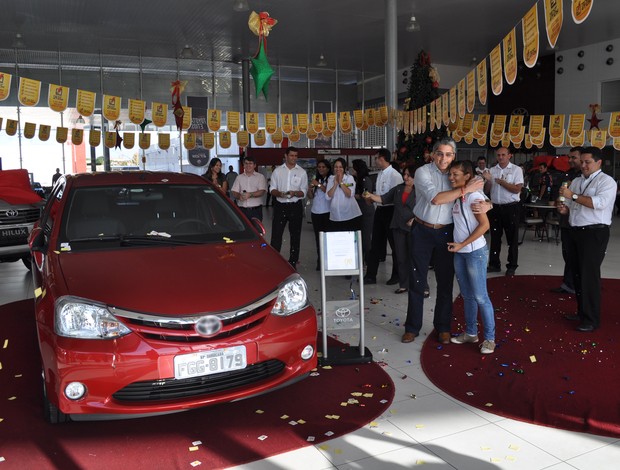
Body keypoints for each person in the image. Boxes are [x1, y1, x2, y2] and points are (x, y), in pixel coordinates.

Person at [402, 138, 485, 345]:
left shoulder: (457, 174)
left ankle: (443, 327)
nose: (443, 158)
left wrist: (488, 205)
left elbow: (482, 196)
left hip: (447, 232)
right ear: (432, 154)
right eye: (440, 153)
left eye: (448, 154)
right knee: (417, 280)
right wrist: (467, 189)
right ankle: (412, 327)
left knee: (445, 282)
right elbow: (436, 199)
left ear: (454, 156)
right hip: (421, 229)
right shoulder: (423, 172)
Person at [557, 146, 616, 332]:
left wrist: (572, 196)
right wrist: (563, 208)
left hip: (594, 233)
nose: (583, 165)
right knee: (577, 274)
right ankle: (582, 311)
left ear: (598, 162)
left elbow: (598, 204)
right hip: (576, 231)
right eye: (582, 161)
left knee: (589, 276)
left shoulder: (607, 182)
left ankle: (591, 319)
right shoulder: (576, 180)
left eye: (587, 162)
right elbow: (569, 205)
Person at [446, 160, 496, 354]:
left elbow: (484, 226)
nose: (451, 178)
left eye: (455, 175)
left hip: (474, 252)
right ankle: (471, 333)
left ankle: (490, 338)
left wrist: (462, 245)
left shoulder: (474, 196)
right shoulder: (459, 195)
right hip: (461, 253)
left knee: (480, 296)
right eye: (450, 174)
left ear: (467, 176)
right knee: (467, 295)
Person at [364, 163, 418, 294]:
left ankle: (421, 286)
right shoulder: (398, 189)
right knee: (400, 257)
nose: (405, 177)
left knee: (415, 258)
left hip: (414, 228)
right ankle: (404, 284)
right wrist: (370, 196)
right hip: (398, 226)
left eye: (409, 175)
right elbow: (383, 199)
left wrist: (416, 219)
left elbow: (426, 208)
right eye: (404, 174)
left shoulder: (420, 190)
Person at [363, 148, 403, 285]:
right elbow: (378, 194)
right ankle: (371, 275)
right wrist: (371, 198)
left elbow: (395, 198)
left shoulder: (395, 175)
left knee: (394, 244)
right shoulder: (379, 174)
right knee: (375, 244)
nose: (375, 161)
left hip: (391, 211)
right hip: (379, 210)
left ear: (382, 158)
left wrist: (375, 198)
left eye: (376, 158)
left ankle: (397, 275)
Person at [483, 146, 523, 276]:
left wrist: (501, 182)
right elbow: (487, 191)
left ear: (509, 155)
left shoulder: (516, 170)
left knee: (512, 239)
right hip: (495, 207)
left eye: (503, 155)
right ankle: (494, 264)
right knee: (495, 237)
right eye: (498, 155)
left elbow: (517, 189)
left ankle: (512, 266)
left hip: (511, 207)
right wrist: (488, 181)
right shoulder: (492, 170)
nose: (500, 157)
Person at [551, 146, 584, 294]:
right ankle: (569, 283)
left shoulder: (585, 176)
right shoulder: (569, 174)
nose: (570, 160)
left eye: (574, 158)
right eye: (569, 157)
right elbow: (562, 193)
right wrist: (559, 200)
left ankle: (576, 284)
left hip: (580, 220)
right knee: (567, 252)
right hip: (566, 218)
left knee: (577, 255)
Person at [270, 147, 307, 269]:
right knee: (276, 235)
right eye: (291, 155)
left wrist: (295, 193)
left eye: (296, 156)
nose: (294, 158)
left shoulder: (302, 172)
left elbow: (304, 192)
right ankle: (274, 261)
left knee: (295, 235)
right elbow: (272, 189)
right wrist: (280, 194)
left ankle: (293, 262)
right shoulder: (278, 171)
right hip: (280, 206)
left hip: (295, 207)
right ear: (286, 156)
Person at [325, 158, 362, 231]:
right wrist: (335, 184)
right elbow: (327, 197)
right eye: (336, 167)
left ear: (344, 168)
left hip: (349, 215)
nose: (338, 169)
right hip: (335, 216)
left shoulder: (349, 178)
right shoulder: (331, 179)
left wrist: (341, 182)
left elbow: (350, 194)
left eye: (340, 167)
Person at [308, 159, 332, 270]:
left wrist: (318, 184)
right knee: (318, 238)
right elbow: (311, 197)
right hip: (316, 212)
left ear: (328, 168)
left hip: (327, 212)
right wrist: (309, 189)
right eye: (319, 167)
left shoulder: (331, 179)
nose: (321, 169)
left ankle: (329, 261)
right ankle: (320, 260)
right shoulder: (316, 179)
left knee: (327, 238)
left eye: (323, 167)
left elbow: (329, 192)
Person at [230, 156, 267, 221]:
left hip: (256, 211)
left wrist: (250, 195)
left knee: (256, 230)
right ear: (243, 165)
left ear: (254, 165)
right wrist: (239, 196)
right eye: (246, 163)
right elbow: (234, 191)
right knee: (243, 230)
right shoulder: (239, 177)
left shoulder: (260, 177)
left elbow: (262, 191)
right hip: (242, 210)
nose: (248, 165)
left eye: (250, 163)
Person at [352, 159, 374, 263]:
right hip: (358, 211)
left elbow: (366, 195)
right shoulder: (356, 180)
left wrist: (356, 196)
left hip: (366, 211)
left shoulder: (366, 180)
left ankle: (368, 260)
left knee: (365, 237)